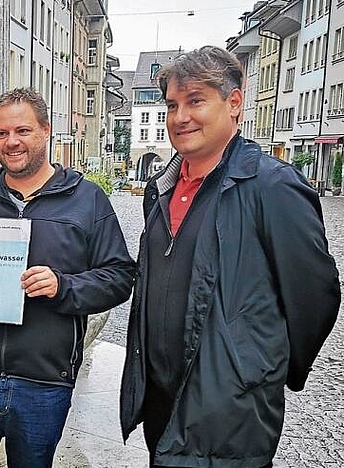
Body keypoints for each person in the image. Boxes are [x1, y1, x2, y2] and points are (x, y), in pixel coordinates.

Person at [119, 46, 341, 468]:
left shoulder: (271, 186)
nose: (179, 117)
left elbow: (316, 296)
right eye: (172, 105)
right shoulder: (161, 189)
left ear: (234, 103)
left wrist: (257, 370)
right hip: (163, 404)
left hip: (229, 415)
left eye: (196, 100)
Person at [0, 87, 136, 468]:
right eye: (2, 134)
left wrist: (63, 286)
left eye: (23, 131)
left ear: (46, 131)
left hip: (44, 382)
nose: (11, 142)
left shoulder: (86, 199)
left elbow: (119, 276)